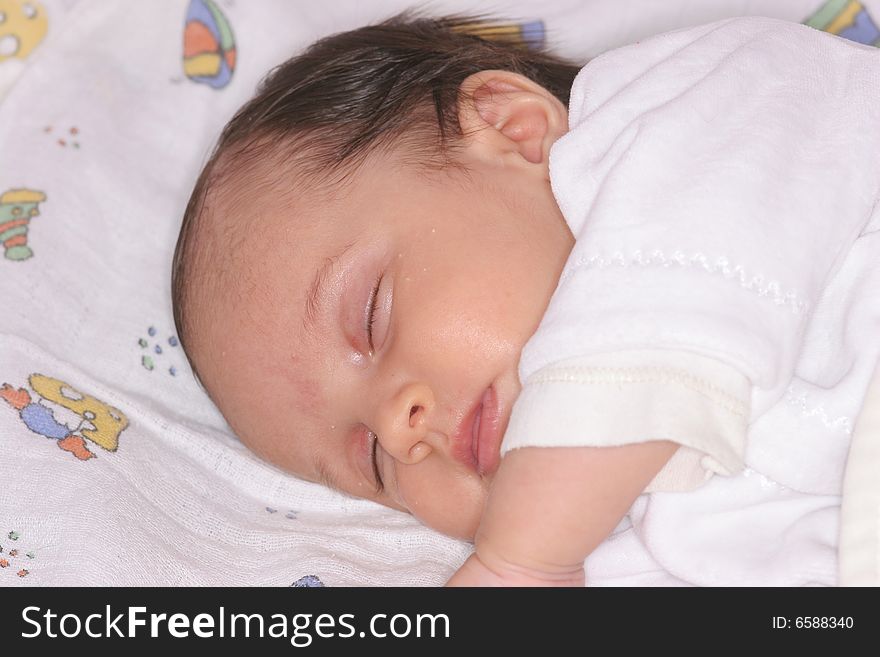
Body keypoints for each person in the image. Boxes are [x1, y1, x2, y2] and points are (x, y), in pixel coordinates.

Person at [171, 12, 880, 586]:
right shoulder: (616, 540)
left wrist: (524, 557)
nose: (400, 426)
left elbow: (677, 305)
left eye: (372, 315)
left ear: (516, 129)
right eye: (374, 462)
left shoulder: (714, 104)